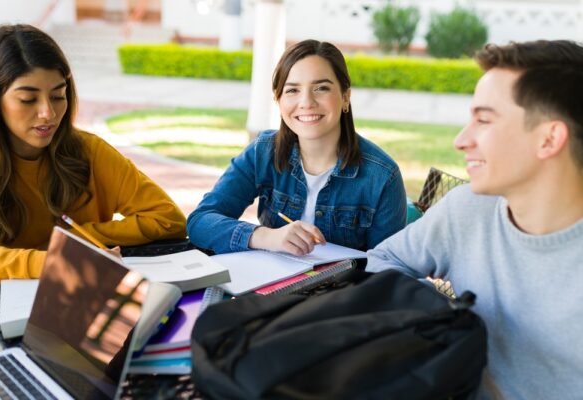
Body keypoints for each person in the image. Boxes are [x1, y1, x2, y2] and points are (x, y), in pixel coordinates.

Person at [367, 39, 583, 399]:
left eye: (483, 120)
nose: (461, 139)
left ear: (549, 139)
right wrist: (443, 317)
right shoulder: (466, 209)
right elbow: (381, 261)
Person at [0, 24, 187, 283]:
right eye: (27, 99)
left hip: (84, 298)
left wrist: (79, 237)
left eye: (58, 96)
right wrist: (54, 259)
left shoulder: (90, 152)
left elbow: (168, 219)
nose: (49, 113)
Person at [188, 39, 406, 255]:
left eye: (321, 88)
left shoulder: (382, 176)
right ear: (278, 99)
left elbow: (387, 267)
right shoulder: (262, 153)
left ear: (345, 96)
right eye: (292, 90)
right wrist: (267, 237)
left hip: (347, 289)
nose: (306, 102)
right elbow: (200, 221)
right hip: (268, 285)